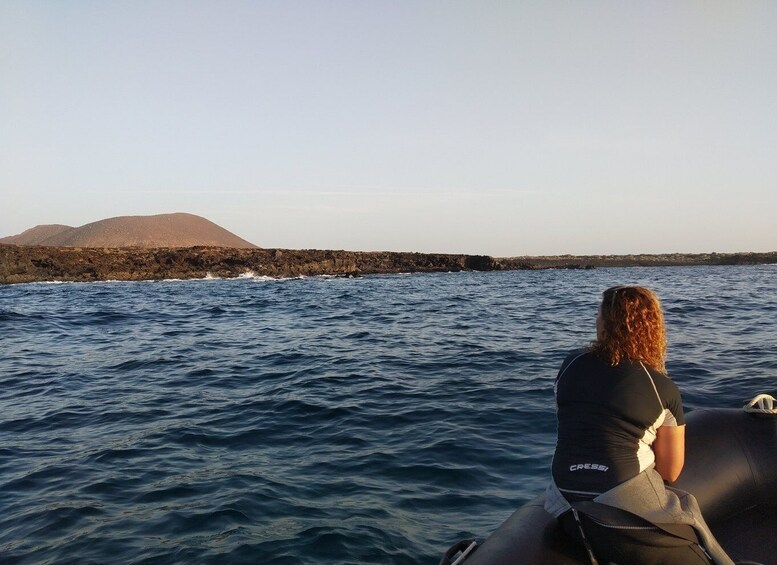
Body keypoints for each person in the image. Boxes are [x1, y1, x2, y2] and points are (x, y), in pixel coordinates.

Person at [543, 286, 733, 565]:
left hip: (563, 502)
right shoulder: (661, 388)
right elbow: (670, 471)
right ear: (651, 327)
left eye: (598, 314)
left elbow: (570, 418)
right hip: (622, 507)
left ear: (606, 324)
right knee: (694, 524)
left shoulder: (570, 364)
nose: (595, 321)